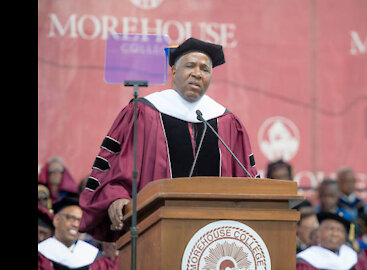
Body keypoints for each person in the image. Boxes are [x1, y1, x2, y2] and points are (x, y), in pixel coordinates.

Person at [79, 37, 259, 242]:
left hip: (215, 239)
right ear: (173, 70)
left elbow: (247, 178)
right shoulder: (143, 111)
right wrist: (116, 196)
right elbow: (113, 164)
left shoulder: (226, 122)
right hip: (154, 234)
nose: (197, 74)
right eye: (190, 66)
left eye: (205, 69)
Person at [38, 197, 119, 270]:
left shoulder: (93, 256)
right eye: (71, 218)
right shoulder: (41, 254)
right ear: (57, 220)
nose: (76, 224)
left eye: (80, 221)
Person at [296, 212, 367, 270]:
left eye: (340, 230)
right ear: (318, 232)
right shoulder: (307, 260)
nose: (335, 234)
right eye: (331, 229)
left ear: (345, 235)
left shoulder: (354, 258)